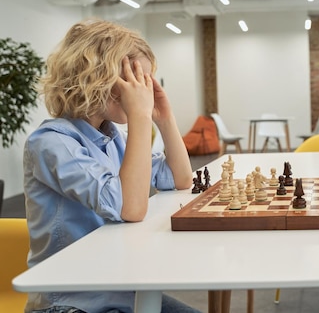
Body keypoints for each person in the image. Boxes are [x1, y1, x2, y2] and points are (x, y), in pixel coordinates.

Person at [23, 19, 199, 313]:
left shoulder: (112, 137)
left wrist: (164, 118)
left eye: (147, 81)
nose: (143, 90)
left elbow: (181, 178)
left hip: (119, 289)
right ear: (95, 78)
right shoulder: (51, 143)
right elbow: (129, 208)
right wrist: (141, 117)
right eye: (135, 80)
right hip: (72, 302)